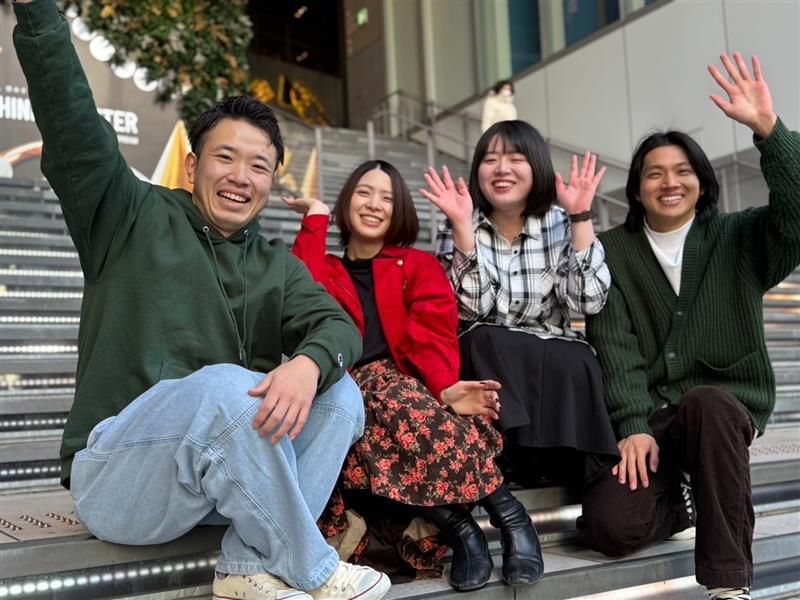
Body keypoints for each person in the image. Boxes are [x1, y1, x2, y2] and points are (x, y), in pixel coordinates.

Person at [10, 1, 391, 599]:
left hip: (215, 489)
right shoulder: (128, 215)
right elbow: (72, 122)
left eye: (259, 166)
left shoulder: (275, 264)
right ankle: (312, 568)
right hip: (119, 477)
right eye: (225, 157)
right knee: (224, 387)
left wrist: (307, 364)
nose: (241, 176)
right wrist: (39, 16)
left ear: (271, 182)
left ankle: (245, 567)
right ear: (191, 167)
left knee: (341, 394)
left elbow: (336, 325)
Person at [581, 53, 800, 600]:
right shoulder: (613, 250)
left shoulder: (739, 238)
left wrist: (768, 130)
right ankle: (689, 498)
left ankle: (729, 587)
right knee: (609, 525)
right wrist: (633, 422)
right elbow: (613, 344)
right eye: (654, 173)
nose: (669, 182)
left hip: (722, 412)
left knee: (709, 402)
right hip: (656, 419)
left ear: (702, 182)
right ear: (637, 190)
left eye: (683, 171)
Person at [284, 159, 543, 590]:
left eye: (387, 197)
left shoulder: (416, 264)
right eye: (364, 192)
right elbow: (298, 293)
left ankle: (499, 522)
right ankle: (473, 525)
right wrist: (316, 218)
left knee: (396, 403)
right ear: (347, 202)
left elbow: (433, 334)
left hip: (407, 386)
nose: (374, 204)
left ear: (398, 209)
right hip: (345, 387)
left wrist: (443, 389)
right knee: (364, 412)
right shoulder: (326, 269)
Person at [423, 120, 620, 505]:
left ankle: (573, 467)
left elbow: (588, 301)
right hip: (491, 351)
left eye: (515, 159)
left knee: (579, 357)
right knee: (483, 340)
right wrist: (462, 228)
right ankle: (510, 457)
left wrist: (581, 217)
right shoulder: (460, 223)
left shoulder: (562, 222)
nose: (502, 169)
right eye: (490, 159)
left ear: (537, 167)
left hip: (551, 344)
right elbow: (471, 310)